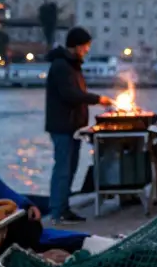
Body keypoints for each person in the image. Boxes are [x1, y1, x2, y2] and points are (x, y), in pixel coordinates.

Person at [45, 26, 111, 224]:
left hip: (73, 127)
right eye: (86, 46)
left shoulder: (72, 65)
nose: (87, 50)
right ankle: (57, 211)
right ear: (77, 45)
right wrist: (98, 99)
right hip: (62, 126)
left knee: (70, 168)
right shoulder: (61, 66)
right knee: (63, 169)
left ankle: (64, 208)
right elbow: (70, 94)